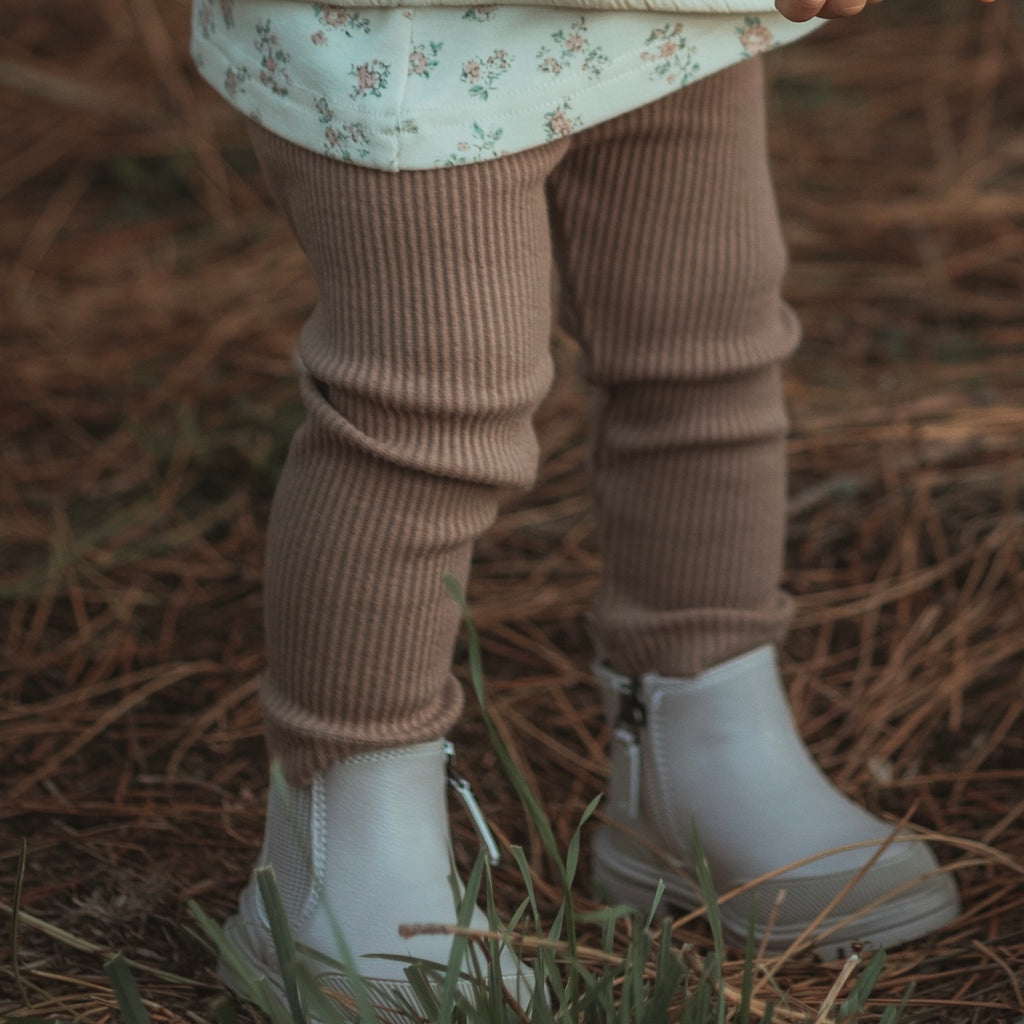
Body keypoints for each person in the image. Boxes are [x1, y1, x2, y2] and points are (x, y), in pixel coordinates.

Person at [190, 0, 959, 1013]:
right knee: (425, 418)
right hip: (419, 38)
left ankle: (706, 739)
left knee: (704, 343)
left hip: (679, 19)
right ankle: (342, 850)